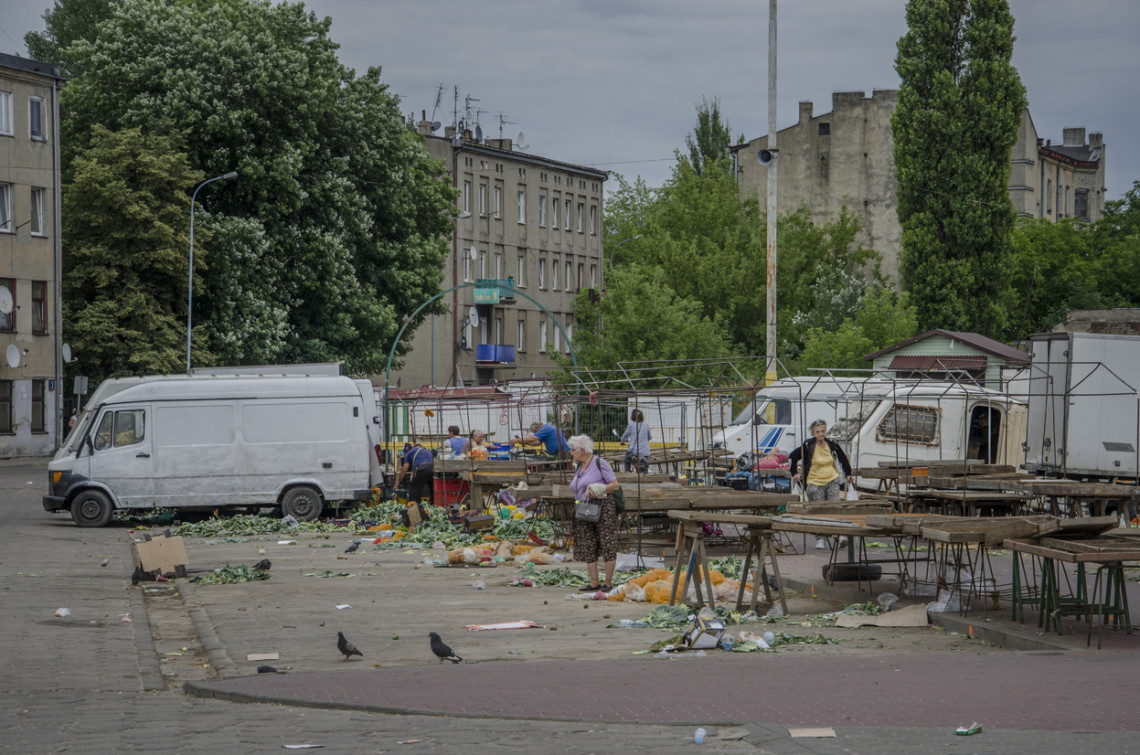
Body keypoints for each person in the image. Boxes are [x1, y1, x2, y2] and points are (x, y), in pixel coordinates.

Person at [788, 419, 854, 549]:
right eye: (817, 432)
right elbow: (793, 456)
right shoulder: (808, 445)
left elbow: (843, 458)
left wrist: (848, 473)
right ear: (813, 433)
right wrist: (794, 473)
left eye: (822, 431)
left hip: (832, 479)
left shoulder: (832, 444)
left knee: (834, 508)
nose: (820, 434)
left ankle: (839, 535)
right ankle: (820, 538)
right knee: (819, 510)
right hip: (814, 481)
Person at [568, 434, 620, 593]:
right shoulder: (578, 466)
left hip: (602, 507)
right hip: (584, 508)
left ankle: (608, 583)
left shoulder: (600, 463)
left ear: (582, 450)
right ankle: (594, 582)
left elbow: (615, 485)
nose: (571, 453)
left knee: (607, 541)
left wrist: (599, 489)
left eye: (573, 450)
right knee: (587, 542)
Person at [395, 440, 434, 505]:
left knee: (414, 491)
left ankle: (414, 508)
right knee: (433, 491)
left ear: (414, 448)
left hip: (421, 469)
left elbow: (404, 469)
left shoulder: (411, 452)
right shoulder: (429, 452)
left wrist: (398, 482)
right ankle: (434, 506)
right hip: (432, 470)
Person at [620, 408, 651, 473]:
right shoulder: (646, 425)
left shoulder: (631, 425)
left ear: (632, 416)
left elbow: (625, 436)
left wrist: (623, 441)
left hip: (634, 451)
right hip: (646, 451)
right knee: (646, 465)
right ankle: (645, 473)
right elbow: (649, 437)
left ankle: (627, 472)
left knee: (626, 460)